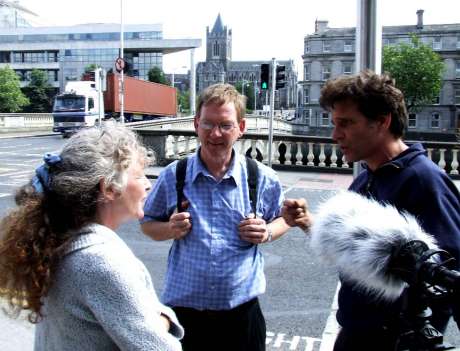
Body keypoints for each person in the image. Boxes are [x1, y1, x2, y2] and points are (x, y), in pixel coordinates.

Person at [282, 70, 460, 351]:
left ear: (382, 121)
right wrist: (308, 223)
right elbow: (358, 248)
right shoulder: (365, 178)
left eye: (346, 123)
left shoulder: (425, 181)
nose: (335, 135)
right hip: (355, 335)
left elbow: (450, 274)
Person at [0, 124, 184, 351]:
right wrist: (163, 318)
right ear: (108, 188)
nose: (147, 184)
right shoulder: (101, 262)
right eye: (138, 175)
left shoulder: (61, 241)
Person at [141, 83, 290, 351]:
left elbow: (283, 219)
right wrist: (169, 229)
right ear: (196, 123)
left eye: (225, 125)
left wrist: (266, 232)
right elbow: (147, 224)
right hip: (185, 316)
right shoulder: (174, 174)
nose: (215, 134)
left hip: (242, 318)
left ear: (241, 127)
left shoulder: (261, 177)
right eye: (208, 124)